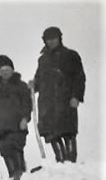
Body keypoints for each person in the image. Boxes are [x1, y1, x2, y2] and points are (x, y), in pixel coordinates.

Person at [32, 26, 86, 163]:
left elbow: (79, 77)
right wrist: (33, 85)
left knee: (68, 132)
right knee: (51, 134)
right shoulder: (42, 60)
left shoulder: (70, 55)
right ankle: (61, 162)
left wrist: (76, 96)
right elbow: (39, 79)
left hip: (65, 101)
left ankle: (71, 164)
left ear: (59, 39)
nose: (51, 42)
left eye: (53, 38)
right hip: (47, 103)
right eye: (48, 39)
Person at [0, 55, 32, 180]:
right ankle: (12, 174)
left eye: (7, 70)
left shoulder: (20, 86)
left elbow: (27, 103)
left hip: (16, 124)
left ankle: (20, 173)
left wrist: (25, 118)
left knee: (15, 147)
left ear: (12, 70)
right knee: (5, 151)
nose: (5, 73)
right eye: (2, 71)